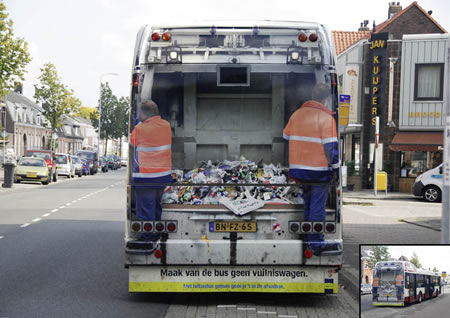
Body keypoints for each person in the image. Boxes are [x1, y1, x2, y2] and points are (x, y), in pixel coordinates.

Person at [283, 83, 339, 254]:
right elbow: (331, 149)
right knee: (317, 208)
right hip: (318, 172)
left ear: (313, 95)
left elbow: (285, 136)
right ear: (326, 98)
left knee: (307, 205)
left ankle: (307, 238)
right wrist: (336, 170)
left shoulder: (296, 115)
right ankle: (315, 244)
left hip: (298, 170)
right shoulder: (326, 118)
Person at [130, 100, 172, 240]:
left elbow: (132, 142)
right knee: (156, 206)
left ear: (143, 113)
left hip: (145, 178)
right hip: (162, 177)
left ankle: (148, 237)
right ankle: (156, 233)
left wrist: (138, 124)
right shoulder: (166, 125)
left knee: (146, 209)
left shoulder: (140, 129)